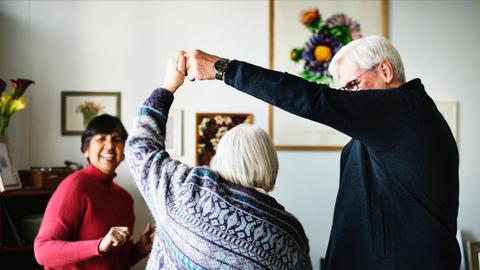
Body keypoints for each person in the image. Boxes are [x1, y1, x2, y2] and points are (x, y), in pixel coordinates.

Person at [184, 35, 460, 270]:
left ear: (385, 71)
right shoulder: (384, 130)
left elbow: (317, 101)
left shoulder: (405, 111)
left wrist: (223, 69)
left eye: (353, 86)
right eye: (344, 90)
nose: (349, 97)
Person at [125, 53, 312, 269]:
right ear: (271, 166)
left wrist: (168, 86)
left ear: (219, 159)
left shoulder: (185, 192)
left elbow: (140, 147)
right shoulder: (288, 234)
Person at [34, 114, 155, 269]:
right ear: (86, 149)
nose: (110, 146)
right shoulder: (74, 187)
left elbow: (116, 263)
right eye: (101, 139)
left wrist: (139, 249)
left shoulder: (125, 198)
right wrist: (98, 246)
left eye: (116, 139)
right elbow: (42, 251)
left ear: (124, 152)